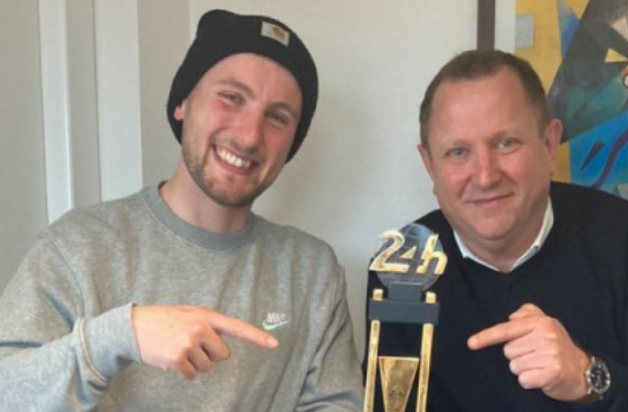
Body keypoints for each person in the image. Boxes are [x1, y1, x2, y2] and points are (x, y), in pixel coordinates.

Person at [0, 9, 363, 411]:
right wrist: (120, 335)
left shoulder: (312, 272)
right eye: (231, 97)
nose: (249, 136)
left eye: (277, 117)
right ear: (183, 103)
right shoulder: (77, 246)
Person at [365, 50, 628, 411]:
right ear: (429, 165)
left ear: (549, 144)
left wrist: (586, 376)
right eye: (458, 152)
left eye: (506, 143)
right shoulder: (403, 263)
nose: (485, 176)